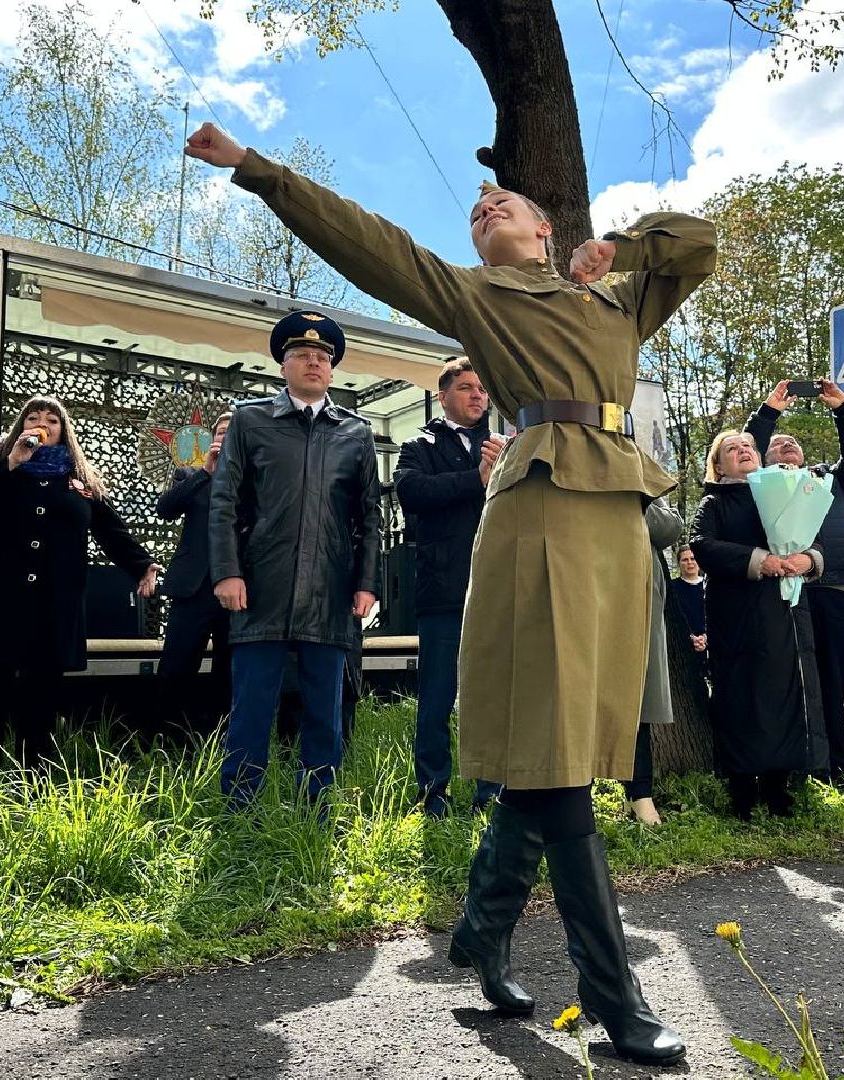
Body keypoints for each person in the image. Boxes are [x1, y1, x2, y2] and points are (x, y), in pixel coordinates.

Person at [186, 123, 711, 1064]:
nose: (484, 210)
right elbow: (370, 243)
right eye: (476, 212)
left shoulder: (618, 300)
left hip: (618, 524)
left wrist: (617, 248)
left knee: (561, 756)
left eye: (501, 203)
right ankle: (612, 997)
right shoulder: (477, 295)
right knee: (553, 760)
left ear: (547, 230)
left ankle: (479, 931)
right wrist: (260, 173)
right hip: (541, 513)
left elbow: (700, 240)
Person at [210, 311, 381, 808]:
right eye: (302, 355)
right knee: (252, 708)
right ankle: (240, 810)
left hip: (329, 591)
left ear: (333, 370)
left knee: (325, 711)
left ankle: (317, 812)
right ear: (282, 365)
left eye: (323, 357)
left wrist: (366, 583)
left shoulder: (356, 432)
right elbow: (224, 500)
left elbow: (369, 513)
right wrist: (227, 571)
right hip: (260, 585)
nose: (314, 362)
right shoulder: (250, 419)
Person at [0, 396, 160, 766]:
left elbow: (110, 531)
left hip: (53, 602)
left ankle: (34, 780)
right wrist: (11, 462)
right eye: (33, 417)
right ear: (21, 427)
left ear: (63, 432)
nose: (42, 424)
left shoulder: (80, 480)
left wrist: (142, 564)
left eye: (52, 420)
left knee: (41, 696)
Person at [690, 431, 827, 819]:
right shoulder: (714, 501)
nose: (743, 450)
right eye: (732, 449)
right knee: (741, 697)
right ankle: (742, 793)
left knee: (781, 694)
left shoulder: (782, 491)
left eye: (748, 446)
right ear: (719, 466)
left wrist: (810, 560)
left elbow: (813, 537)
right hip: (735, 615)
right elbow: (701, 544)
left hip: (782, 610)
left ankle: (778, 789)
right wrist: (758, 560)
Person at [744, 378, 844, 786]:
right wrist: (769, 412)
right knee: (787, 679)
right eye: (778, 442)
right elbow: (743, 447)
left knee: (832, 679)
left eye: (793, 443)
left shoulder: (828, 482)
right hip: (777, 591)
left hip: (831, 588)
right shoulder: (758, 484)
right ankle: (792, 767)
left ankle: (834, 765)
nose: (787, 445)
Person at [393, 357, 504, 818]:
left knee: (493, 695)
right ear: (444, 396)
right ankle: (432, 792)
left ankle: (491, 792)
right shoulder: (418, 444)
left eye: (482, 388)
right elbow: (413, 494)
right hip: (442, 590)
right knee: (436, 697)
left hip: (497, 589)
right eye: (466, 387)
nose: (478, 395)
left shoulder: (504, 445)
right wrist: (475, 479)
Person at [154, 411, 234, 740]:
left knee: (228, 672)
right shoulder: (190, 474)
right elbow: (165, 509)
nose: (226, 438)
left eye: (234, 433)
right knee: (177, 666)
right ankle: (165, 739)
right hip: (192, 587)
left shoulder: (257, 479)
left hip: (235, 590)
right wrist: (205, 472)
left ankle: (216, 739)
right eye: (221, 432)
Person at [623, 498, 684, 826]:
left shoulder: (638, 468)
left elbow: (670, 527)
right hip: (587, 596)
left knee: (637, 701)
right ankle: (576, 795)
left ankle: (639, 794)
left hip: (640, 600)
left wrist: (634, 499)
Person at [670, 545, 708, 662]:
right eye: (685, 560)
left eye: (693, 558)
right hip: (682, 647)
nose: (690, 563)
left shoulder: (711, 586)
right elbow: (672, 618)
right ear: (678, 563)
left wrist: (705, 638)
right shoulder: (672, 588)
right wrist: (692, 638)